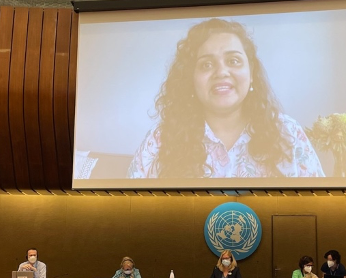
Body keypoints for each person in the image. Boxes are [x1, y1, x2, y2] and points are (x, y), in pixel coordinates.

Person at [128, 18, 324, 179]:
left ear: (252, 72)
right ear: (190, 78)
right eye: (206, 65)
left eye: (233, 61)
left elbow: (320, 212)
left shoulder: (288, 134)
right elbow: (131, 215)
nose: (221, 72)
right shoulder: (160, 139)